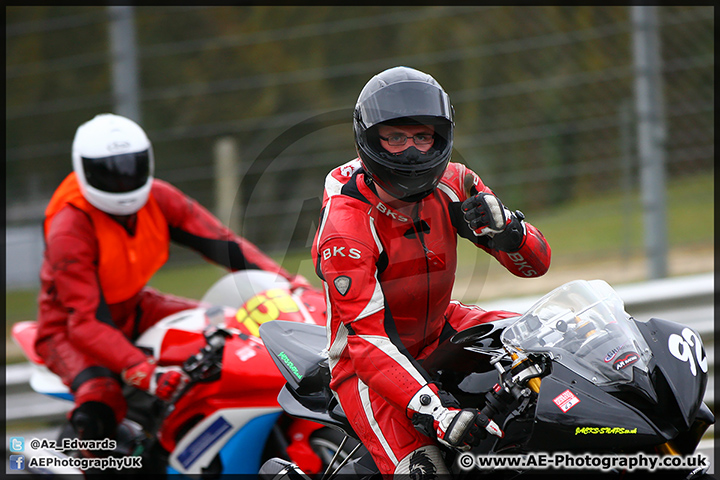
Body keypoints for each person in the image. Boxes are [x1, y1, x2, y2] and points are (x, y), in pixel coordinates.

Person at [311, 66, 551, 476]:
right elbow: (367, 340)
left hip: (443, 326)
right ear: (370, 139)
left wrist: (510, 231)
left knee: (553, 349)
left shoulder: (457, 184)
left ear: (440, 137)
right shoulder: (346, 224)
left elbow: (535, 266)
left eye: (423, 137)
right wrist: (435, 411)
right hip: (366, 366)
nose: (411, 152)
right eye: (396, 137)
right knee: (427, 471)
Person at [36, 113, 311, 444]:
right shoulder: (70, 226)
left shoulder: (159, 197)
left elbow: (225, 245)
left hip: (136, 304)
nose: (122, 180)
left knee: (226, 329)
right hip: (67, 328)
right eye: (109, 171)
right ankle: (90, 454)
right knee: (102, 399)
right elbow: (86, 322)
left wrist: (285, 281)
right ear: (83, 170)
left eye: (130, 167)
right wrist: (146, 373)